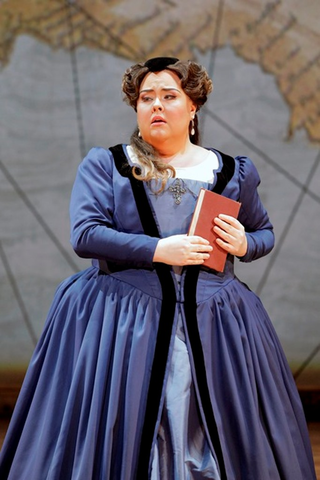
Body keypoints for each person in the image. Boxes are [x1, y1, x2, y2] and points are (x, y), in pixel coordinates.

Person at [0, 57, 316, 480]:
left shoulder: (231, 171)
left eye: (169, 96)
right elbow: (86, 235)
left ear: (193, 107)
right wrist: (159, 249)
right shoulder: (107, 165)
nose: (157, 106)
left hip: (214, 319)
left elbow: (264, 232)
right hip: (123, 321)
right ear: (136, 107)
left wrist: (245, 243)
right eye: (146, 98)